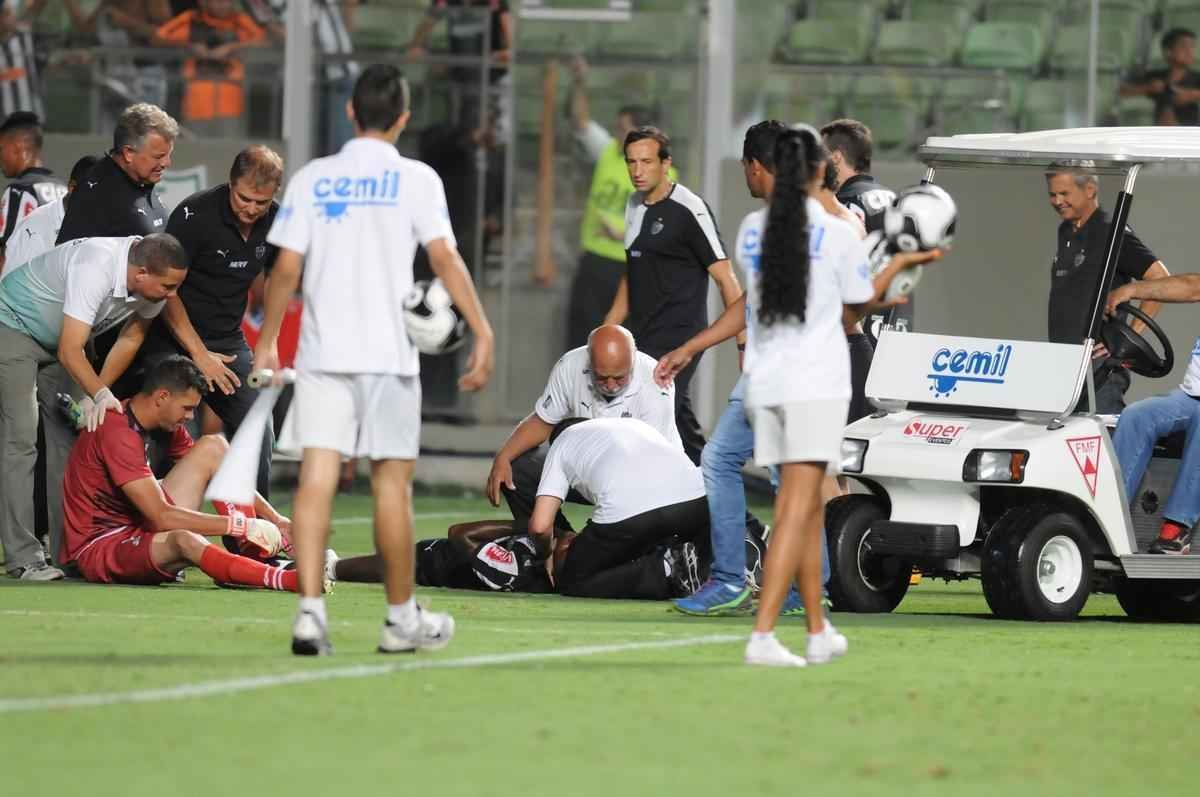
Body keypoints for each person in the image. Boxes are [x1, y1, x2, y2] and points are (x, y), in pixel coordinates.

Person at [661, 125, 937, 666]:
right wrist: (904, 264)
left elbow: (763, 302)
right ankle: (764, 635)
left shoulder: (752, 229)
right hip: (813, 387)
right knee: (794, 508)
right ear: (819, 171)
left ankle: (817, 629)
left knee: (805, 508)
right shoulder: (838, 233)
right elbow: (856, 309)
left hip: (767, 383)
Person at [254, 63, 495, 656]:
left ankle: (310, 614)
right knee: (392, 488)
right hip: (390, 357)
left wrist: (266, 341)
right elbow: (445, 260)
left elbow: (285, 268)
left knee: (315, 479)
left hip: (322, 352)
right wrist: (482, 328)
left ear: (351, 113)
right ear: (404, 118)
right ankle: (398, 620)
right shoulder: (417, 179)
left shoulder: (314, 177)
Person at [0, 233, 189, 581]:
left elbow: (129, 338)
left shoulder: (149, 282)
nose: (172, 295)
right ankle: (23, 558)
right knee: (21, 440)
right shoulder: (96, 264)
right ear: (141, 273)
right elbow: (70, 351)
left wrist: (92, 394)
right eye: (168, 286)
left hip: (60, 341)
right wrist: (102, 393)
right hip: (12, 326)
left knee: (77, 441)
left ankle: (68, 553)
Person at [58, 355, 317, 590]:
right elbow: (161, 516)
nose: (191, 417)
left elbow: (220, 472)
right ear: (161, 397)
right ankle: (282, 579)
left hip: (138, 523)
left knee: (214, 446)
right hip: (101, 546)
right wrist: (241, 525)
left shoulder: (164, 424)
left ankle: (252, 559)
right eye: (187, 408)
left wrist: (274, 518)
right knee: (184, 540)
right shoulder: (118, 432)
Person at [142, 145, 284, 499]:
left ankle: (255, 541)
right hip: (171, 341)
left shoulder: (280, 221)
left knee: (259, 427)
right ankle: (152, 537)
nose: (251, 209)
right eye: (244, 198)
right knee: (169, 428)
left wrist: (268, 344)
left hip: (229, 342)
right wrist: (199, 354)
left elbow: (281, 279)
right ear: (231, 183)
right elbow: (166, 291)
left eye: (261, 202)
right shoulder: (194, 215)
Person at [602, 126, 744, 463]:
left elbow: (726, 278)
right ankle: (718, 501)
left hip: (680, 337)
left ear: (666, 163)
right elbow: (632, 273)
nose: (637, 171)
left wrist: (743, 342)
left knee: (644, 424)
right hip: (643, 336)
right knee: (678, 425)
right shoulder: (633, 204)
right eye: (631, 162)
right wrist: (607, 329)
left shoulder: (689, 208)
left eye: (647, 162)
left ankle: (641, 506)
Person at [485, 324, 680, 533]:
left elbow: (651, 462)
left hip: (641, 477)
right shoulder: (570, 366)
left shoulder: (656, 381)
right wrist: (503, 457)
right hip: (588, 470)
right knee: (516, 468)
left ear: (633, 361)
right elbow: (542, 422)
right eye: (602, 377)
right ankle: (557, 542)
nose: (611, 385)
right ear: (589, 362)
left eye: (620, 377)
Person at [528, 417, 708, 600]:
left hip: (631, 514)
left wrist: (546, 554)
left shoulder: (562, 442)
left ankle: (667, 569)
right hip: (700, 499)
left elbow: (540, 526)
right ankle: (702, 562)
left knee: (575, 580)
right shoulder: (636, 424)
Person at [564, 56, 675, 351]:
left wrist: (623, 233)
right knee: (582, 341)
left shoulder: (664, 174)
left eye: (622, 129)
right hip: (594, 262)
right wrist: (579, 82)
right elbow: (580, 122)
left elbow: (661, 230)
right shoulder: (609, 151)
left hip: (631, 270)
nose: (616, 134)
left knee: (623, 345)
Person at [1046, 164, 1169, 414]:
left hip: (1099, 369)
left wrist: (1124, 343)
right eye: (1052, 194)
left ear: (1090, 190)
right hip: (1066, 365)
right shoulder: (1068, 230)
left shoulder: (1109, 231)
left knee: (1097, 445)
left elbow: (1160, 280)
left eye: (1064, 193)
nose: (1057, 201)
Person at [1106, 273, 1200, 554]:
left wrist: (1132, 288)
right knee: (1137, 416)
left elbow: (1193, 288)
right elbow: (1187, 285)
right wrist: (1132, 289)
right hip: (1190, 396)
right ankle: (1107, 517)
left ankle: (1177, 528)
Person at [821, 118, 904, 339]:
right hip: (898, 329)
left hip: (854, 336)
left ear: (836, 157)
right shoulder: (896, 201)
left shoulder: (844, 205)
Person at [57, 103, 177, 244]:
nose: (167, 163)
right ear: (129, 153)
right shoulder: (96, 196)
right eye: (158, 156)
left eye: (168, 155)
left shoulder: (141, 179)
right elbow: (69, 257)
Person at [153, 0, 266, 136]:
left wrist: (232, 47)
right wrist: (188, 45)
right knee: (196, 150)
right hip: (196, 103)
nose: (222, 5)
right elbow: (157, 37)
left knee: (231, 151)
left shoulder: (239, 20)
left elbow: (264, 42)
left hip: (230, 103)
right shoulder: (191, 19)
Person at [5, 155, 99, 272]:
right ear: (72, 187)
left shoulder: (104, 223)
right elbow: (11, 286)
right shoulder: (35, 227)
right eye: (94, 193)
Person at [0, 111, 64, 271]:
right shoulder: (63, 190)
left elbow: (4, 252)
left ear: (18, 146)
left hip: (24, 289)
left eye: (1, 148)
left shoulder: (20, 190)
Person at [1121, 28, 1200, 126]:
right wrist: (1146, 88)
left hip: (1190, 135)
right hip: (1155, 133)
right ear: (1168, 51)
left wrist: (1193, 94)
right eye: (1183, 46)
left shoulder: (1197, 78)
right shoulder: (1153, 76)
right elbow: (1121, 91)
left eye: (1192, 46)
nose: (1190, 51)